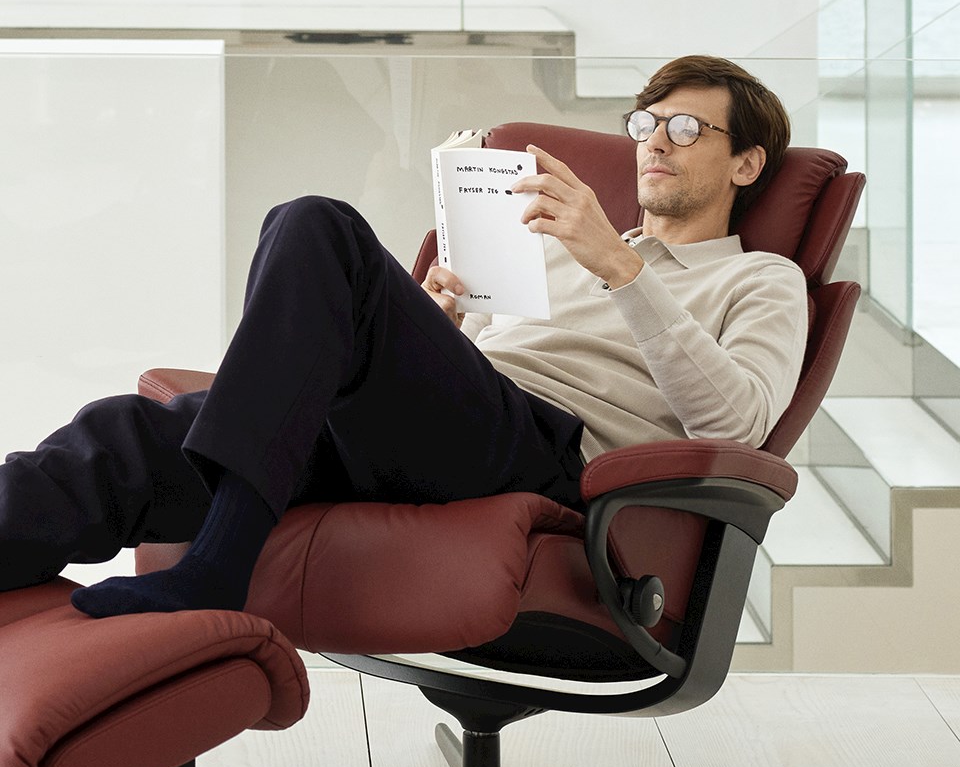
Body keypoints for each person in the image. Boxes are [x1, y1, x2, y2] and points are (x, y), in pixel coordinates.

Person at [0, 55, 807, 618]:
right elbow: (480, 367)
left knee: (320, 223)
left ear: (745, 165)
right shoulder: (564, 242)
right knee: (131, 435)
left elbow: (736, 428)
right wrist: (441, 328)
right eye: (647, 122)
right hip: (453, 424)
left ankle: (221, 563)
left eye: (689, 129)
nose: (655, 141)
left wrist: (622, 272)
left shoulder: (762, 281)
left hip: (550, 455)